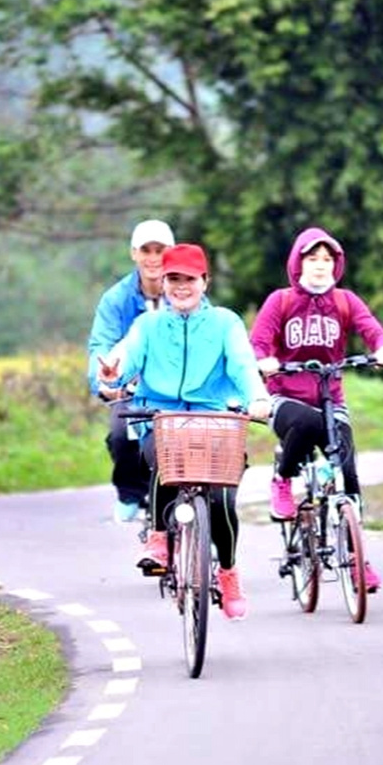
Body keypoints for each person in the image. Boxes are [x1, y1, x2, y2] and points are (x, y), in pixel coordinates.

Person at [98, 243, 270, 621]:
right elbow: (124, 359)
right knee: (162, 452)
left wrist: (257, 397)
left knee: (222, 501)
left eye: (189, 279)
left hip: (216, 423)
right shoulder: (149, 325)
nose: (180, 287)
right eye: (173, 279)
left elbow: (243, 365)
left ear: (204, 282)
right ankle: (159, 539)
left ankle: (227, 574)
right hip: (161, 418)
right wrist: (111, 375)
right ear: (163, 284)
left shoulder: (226, 323)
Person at [249, 226, 383, 593]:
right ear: (298, 262)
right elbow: (257, 343)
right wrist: (263, 361)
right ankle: (282, 480)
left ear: (337, 264)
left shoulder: (346, 301)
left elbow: (372, 331)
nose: (319, 266)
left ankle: (357, 554)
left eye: (327, 259)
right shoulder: (280, 300)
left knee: (347, 467)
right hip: (285, 396)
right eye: (312, 258)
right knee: (303, 422)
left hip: (331, 397)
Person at [87, 219, 176, 524]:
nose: (153, 258)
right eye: (146, 250)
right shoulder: (115, 299)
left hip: (181, 388)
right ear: (133, 254)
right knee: (121, 436)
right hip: (132, 388)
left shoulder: (188, 291)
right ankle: (130, 493)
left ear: (171, 252)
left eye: (160, 250)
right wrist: (104, 382)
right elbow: (101, 345)